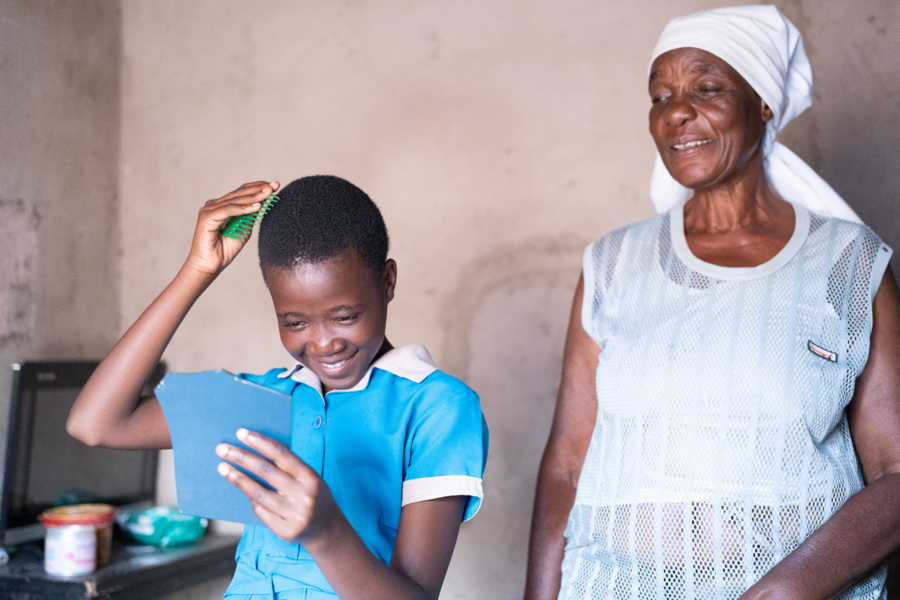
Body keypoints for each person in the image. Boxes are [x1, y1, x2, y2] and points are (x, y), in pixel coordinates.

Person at [525, 6, 900, 600]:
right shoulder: (613, 265)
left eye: (706, 88)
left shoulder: (848, 264)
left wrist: (789, 588)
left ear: (763, 103)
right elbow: (567, 468)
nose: (675, 112)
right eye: (659, 96)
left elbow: (895, 474)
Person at [67, 176, 488, 600]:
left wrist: (326, 533)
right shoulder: (263, 399)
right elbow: (96, 424)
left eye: (344, 316)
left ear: (387, 281)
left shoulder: (438, 407)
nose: (324, 343)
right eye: (295, 323)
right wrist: (197, 269)